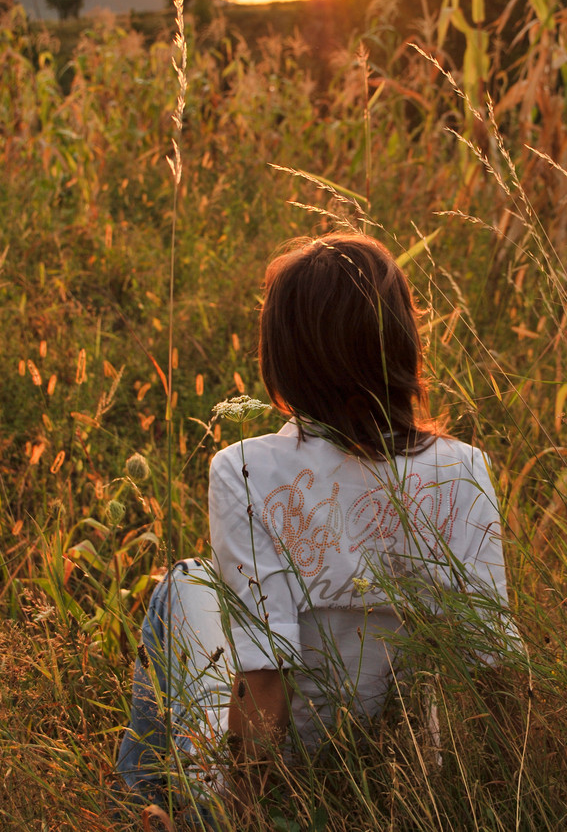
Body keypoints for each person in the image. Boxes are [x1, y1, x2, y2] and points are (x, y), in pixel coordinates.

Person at [116, 233, 516, 821]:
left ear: (283, 354)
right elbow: (492, 662)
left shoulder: (246, 470)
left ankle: (134, 810)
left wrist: (244, 811)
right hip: (401, 775)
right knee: (200, 580)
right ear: (402, 343)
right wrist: (502, 796)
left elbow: (265, 675)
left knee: (181, 585)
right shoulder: (464, 468)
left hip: (281, 771)